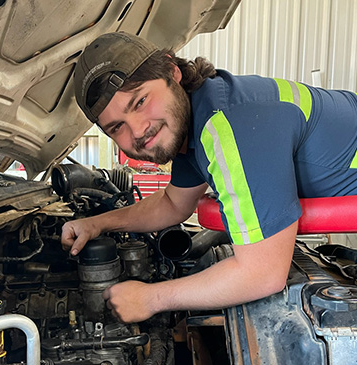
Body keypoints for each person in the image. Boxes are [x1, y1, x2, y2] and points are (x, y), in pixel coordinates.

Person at [62, 31, 357, 323]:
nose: (138, 130)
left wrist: (151, 298)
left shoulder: (227, 125)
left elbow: (262, 274)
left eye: (139, 102)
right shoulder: (198, 120)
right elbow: (173, 204)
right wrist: (96, 224)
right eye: (117, 127)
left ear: (171, 71)